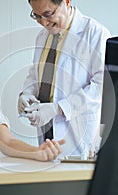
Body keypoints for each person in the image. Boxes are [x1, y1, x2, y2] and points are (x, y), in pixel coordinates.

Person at [18, 0, 111, 157]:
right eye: (37, 16)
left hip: (78, 138)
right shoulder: (42, 37)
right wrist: (26, 93)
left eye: (48, 14)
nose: (43, 23)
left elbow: (101, 87)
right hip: (47, 136)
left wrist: (59, 108)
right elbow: (36, 73)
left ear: (66, 2)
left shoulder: (95, 33)